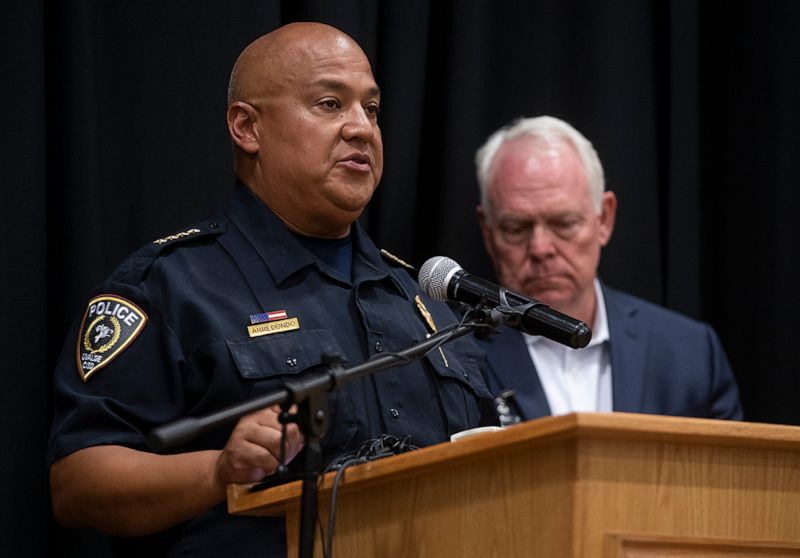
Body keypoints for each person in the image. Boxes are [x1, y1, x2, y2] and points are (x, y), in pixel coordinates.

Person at [47, 22, 492, 557]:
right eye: (330, 104)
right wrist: (218, 471)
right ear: (247, 127)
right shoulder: (169, 287)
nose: (361, 129)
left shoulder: (422, 301)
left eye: (371, 109)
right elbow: (78, 483)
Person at [474, 116, 742, 421]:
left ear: (604, 219)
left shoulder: (689, 353)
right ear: (488, 231)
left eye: (564, 224)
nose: (540, 248)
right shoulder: (452, 355)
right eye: (516, 228)